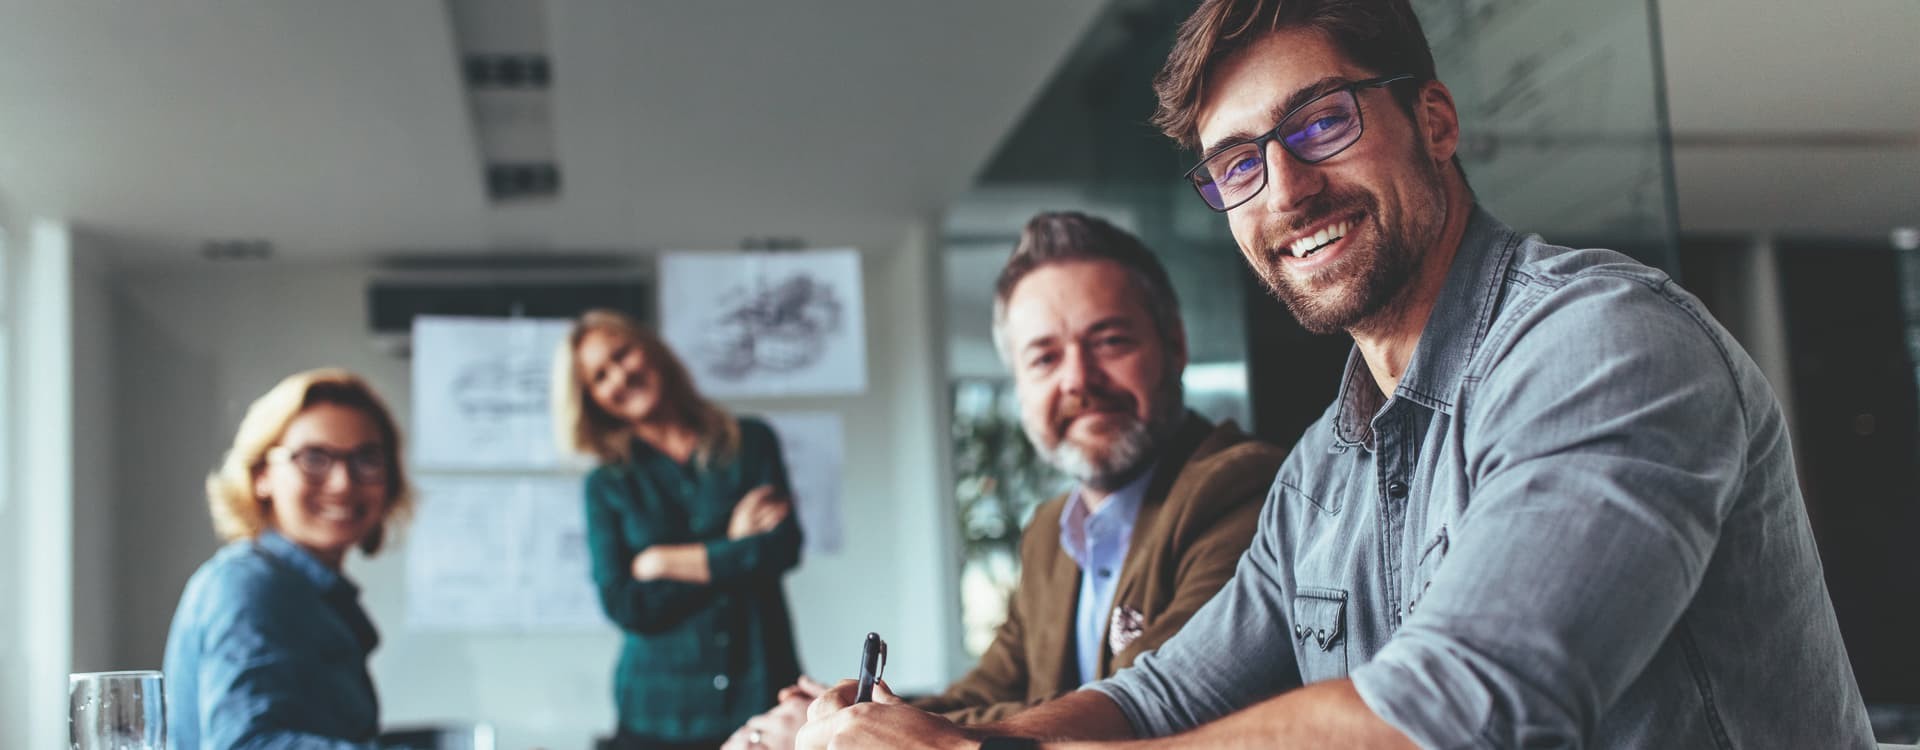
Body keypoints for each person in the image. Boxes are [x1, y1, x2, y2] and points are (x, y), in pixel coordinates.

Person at [796, 0, 1875, 747]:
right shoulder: (1325, 472)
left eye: (1322, 120)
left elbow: (1461, 716)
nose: (1287, 189)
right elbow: (1163, 695)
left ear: (1435, 121)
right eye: (1238, 163)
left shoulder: (1605, 346)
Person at [721, 213, 1286, 750]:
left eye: (1110, 341)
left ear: (1175, 346)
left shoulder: (1238, 487)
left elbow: (1144, 707)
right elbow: (990, 689)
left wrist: (859, 729)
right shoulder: (1050, 531)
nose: (1078, 380)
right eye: (1044, 358)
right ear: (1018, 384)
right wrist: (852, 714)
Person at [554, 309, 804, 750]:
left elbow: (782, 548)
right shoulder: (607, 484)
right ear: (591, 398)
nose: (619, 377)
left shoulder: (752, 442)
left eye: (621, 354)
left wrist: (663, 561)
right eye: (599, 376)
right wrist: (732, 546)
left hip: (762, 695)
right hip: (658, 714)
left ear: (650, 349)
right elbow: (626, 602)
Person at [164, 369, 414, 749]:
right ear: (261, 474)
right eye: (314, 458)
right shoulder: (249, 586)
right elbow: (248, 745)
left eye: (367, 458)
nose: (343, 482)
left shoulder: (312, 597)